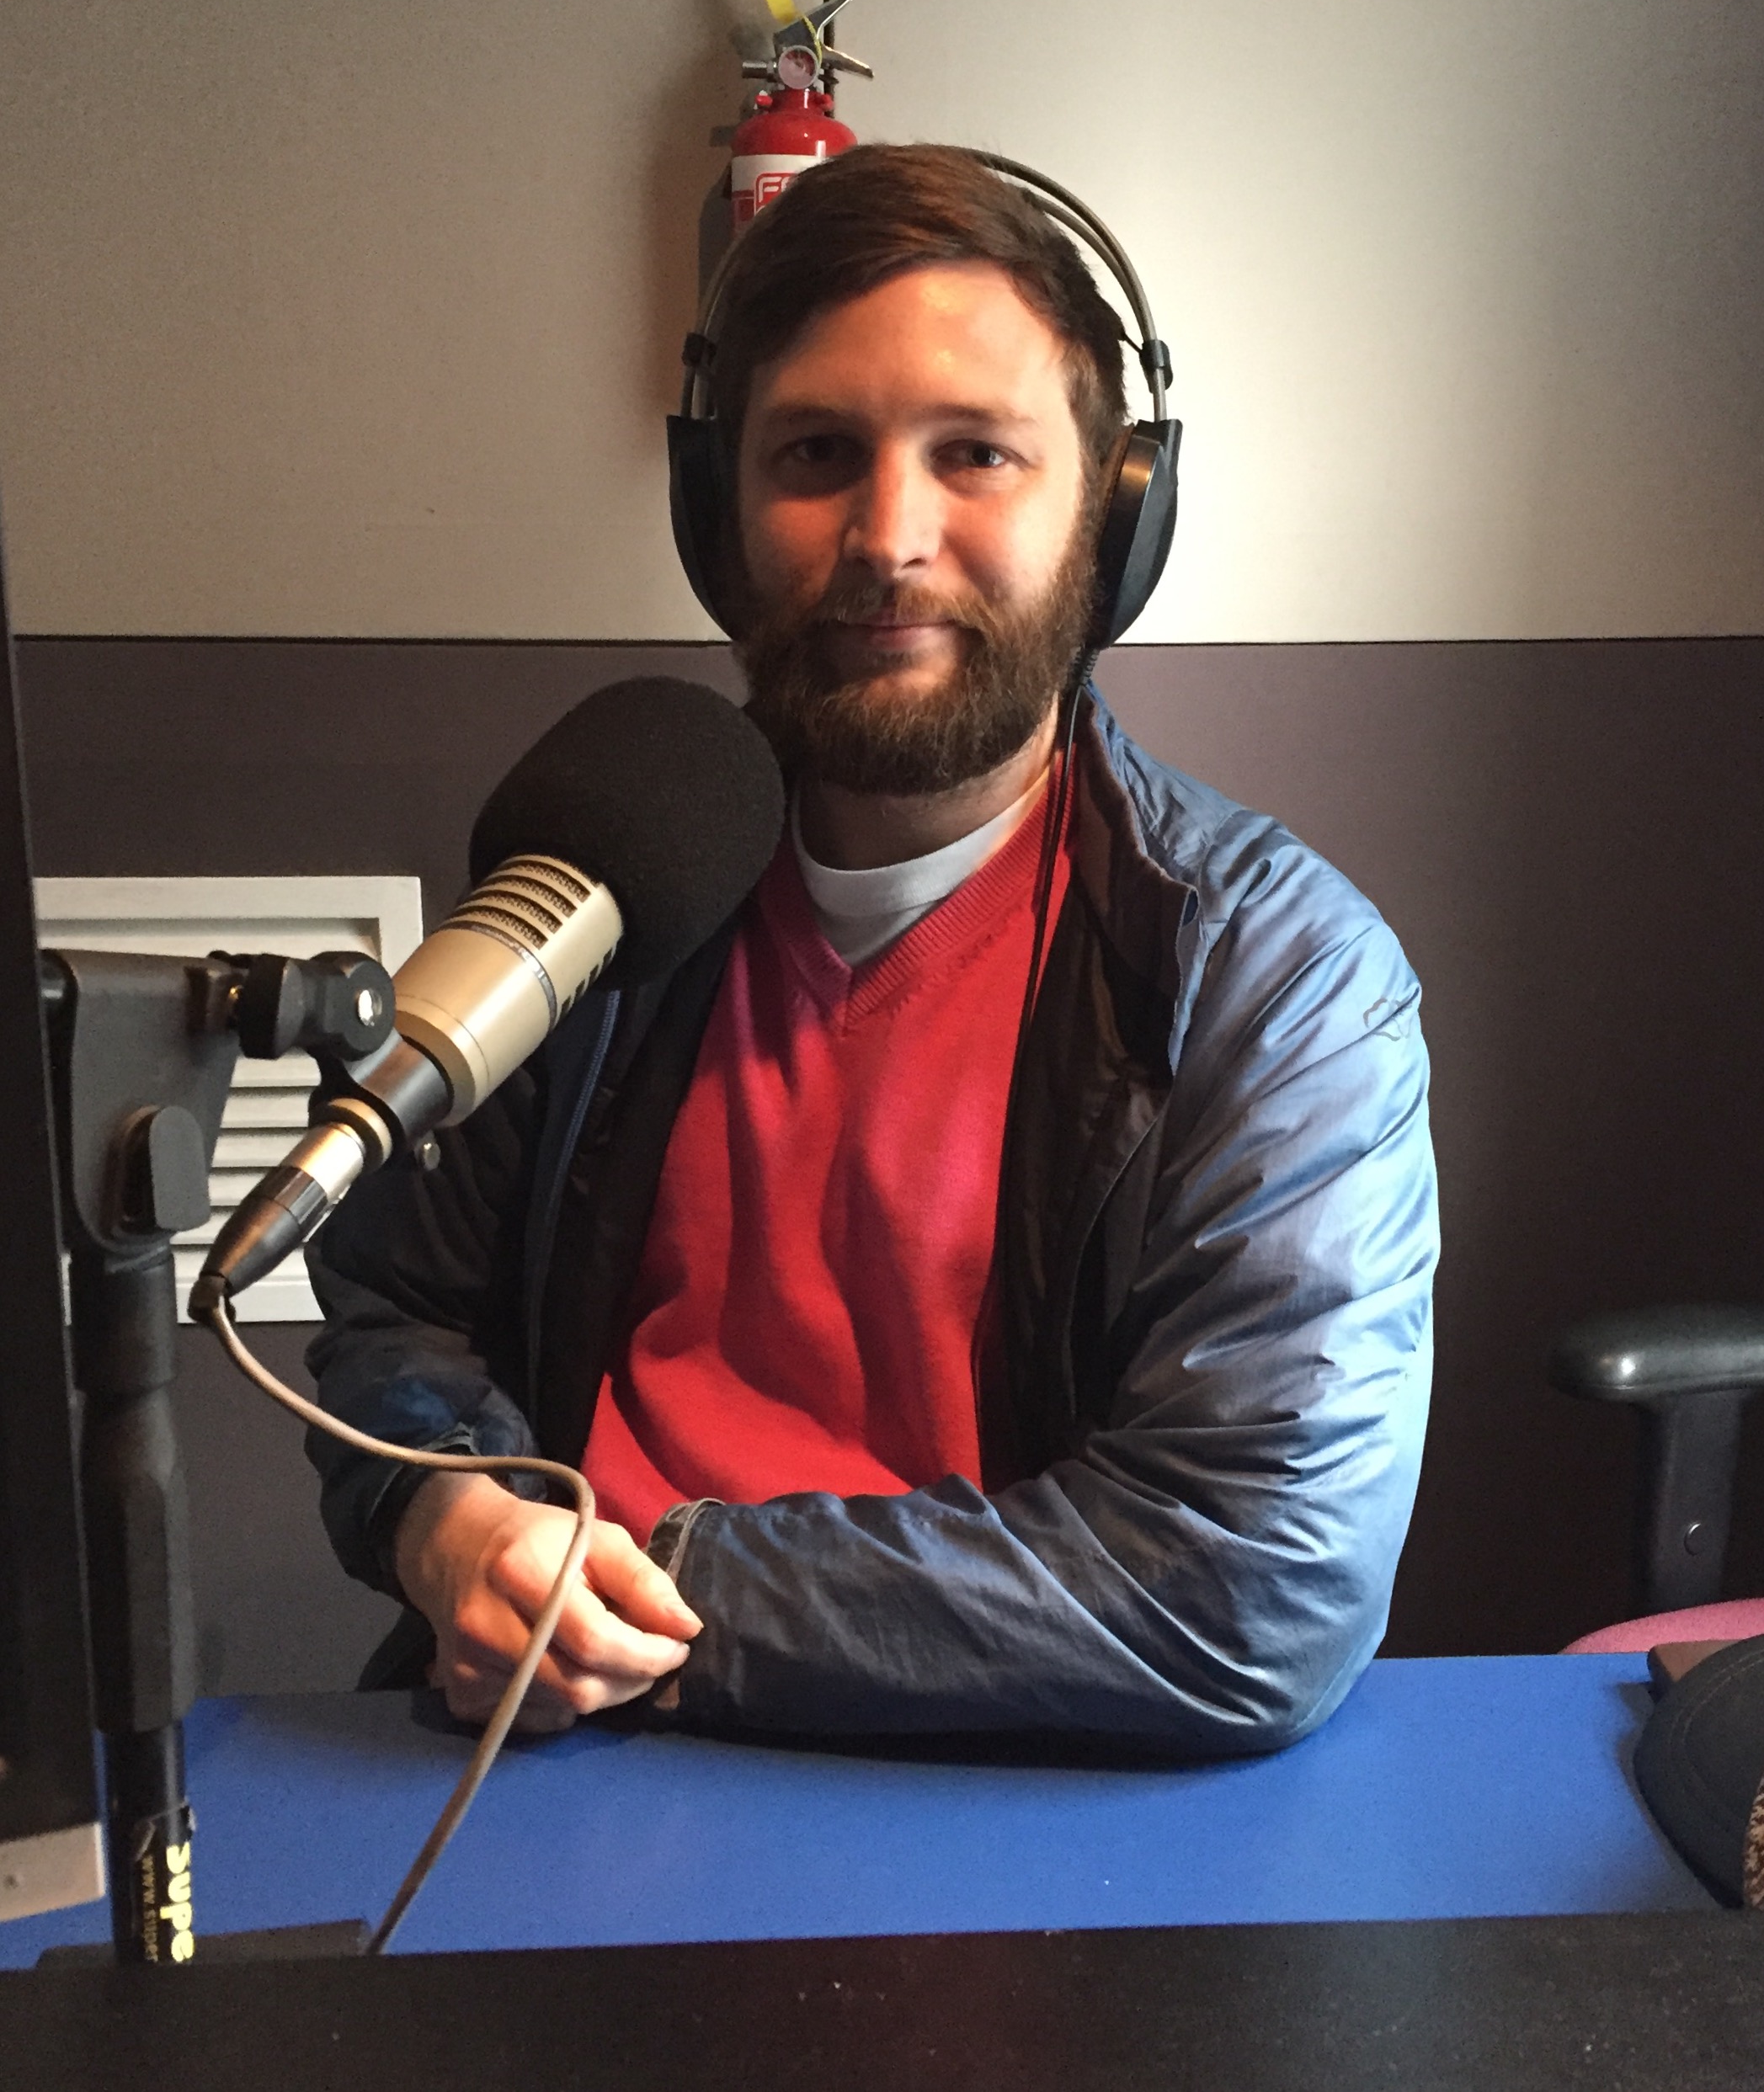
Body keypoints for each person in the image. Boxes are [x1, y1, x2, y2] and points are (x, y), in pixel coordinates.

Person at [306, 144, 1437, 1757]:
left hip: (1033, 1790)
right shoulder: (595, 885)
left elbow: (1253, 1581)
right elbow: (396, 1315)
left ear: (1115, 517)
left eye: (976, 455)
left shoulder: (1271, 975)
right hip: (559, 1771)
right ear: (719, 510)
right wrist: (447, 1521)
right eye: (818, 453)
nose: (888, 533)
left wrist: (659, 1593)